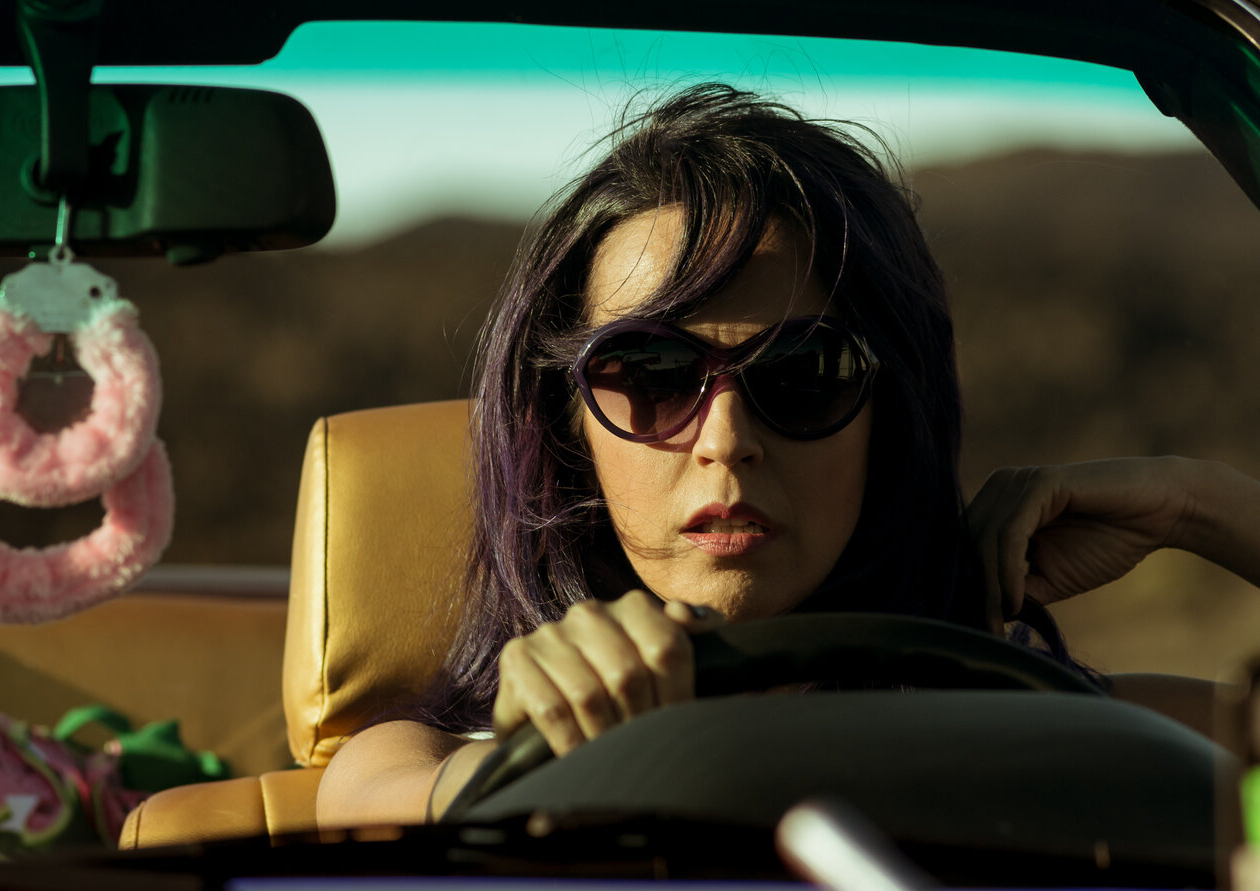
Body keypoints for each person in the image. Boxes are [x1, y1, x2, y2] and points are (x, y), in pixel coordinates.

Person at [315, 84, 1260, 828]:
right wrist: (542, 749)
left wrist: (1202, 506)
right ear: (569, 426)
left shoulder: (1057, 731)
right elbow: (381, 799)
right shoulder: (429, 755)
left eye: (807, 374)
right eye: (650, 373)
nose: (726, 442)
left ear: (889, 418)